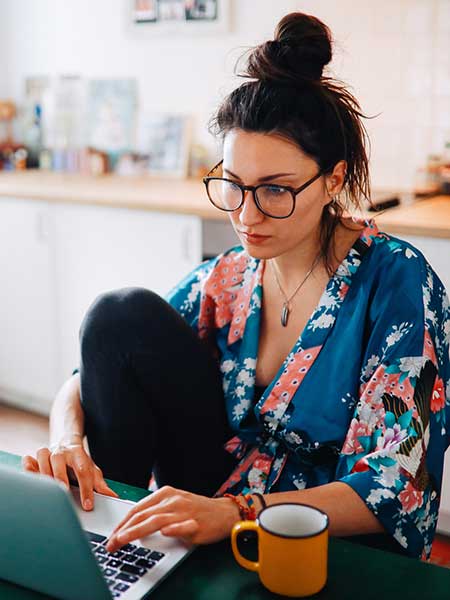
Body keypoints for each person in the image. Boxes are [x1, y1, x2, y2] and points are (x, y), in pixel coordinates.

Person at [23, 12, 450, 560]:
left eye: (275, 190)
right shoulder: (229, 276)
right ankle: (109, 542)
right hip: (215, 504)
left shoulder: (395, 281)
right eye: (232, 185)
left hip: (320, 534)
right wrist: (65, 443)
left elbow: (397, 485)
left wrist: (237, 513)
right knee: (118, 315)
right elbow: (86, 376)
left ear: (335, 179)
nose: (246, 215)